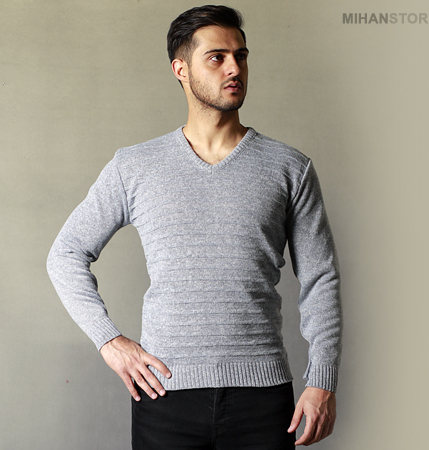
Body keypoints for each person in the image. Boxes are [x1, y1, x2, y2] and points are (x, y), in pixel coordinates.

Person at [47, 5, 342, 449]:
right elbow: (66, 253)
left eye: (240, 56)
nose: (234, 68)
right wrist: (110, 341)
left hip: (263, 400)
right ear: (181, 69)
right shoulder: (135, 166)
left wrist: (322, 379)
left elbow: (321, 278)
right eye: (217, 57)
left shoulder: (289, 168)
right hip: (164, 396)